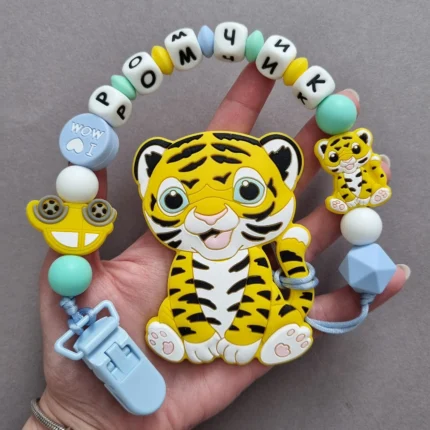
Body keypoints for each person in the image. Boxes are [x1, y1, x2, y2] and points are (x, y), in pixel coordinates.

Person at [24, 64, 408, 430]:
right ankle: (188, 335)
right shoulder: (181, 257)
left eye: (247, 190)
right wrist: (78, 417)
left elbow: (260, 288)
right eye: (175, 199)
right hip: (165, 346)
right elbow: (181, 293)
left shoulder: (255, 247)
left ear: (282, 169)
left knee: (261, 295)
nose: (209, 214)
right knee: (182, 299)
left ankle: (266, 332)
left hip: (250, 322)